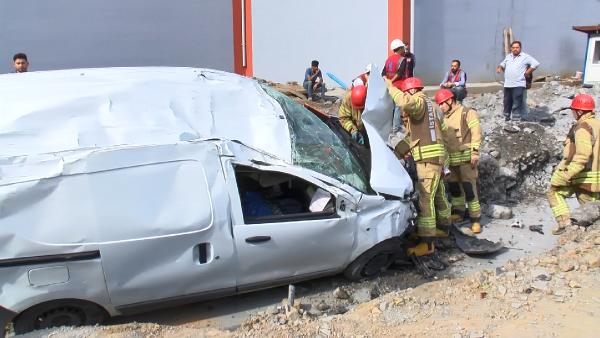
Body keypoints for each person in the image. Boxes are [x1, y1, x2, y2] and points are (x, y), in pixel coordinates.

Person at [386, 77, 451, 256]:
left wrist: (390, 87)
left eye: (407, 92)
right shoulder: (431, 107)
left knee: (425, 200)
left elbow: (405, 103)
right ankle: (444, 229)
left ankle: (427, 243)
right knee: (438, 195)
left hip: (428, 161)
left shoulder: (419, 101)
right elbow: (417, 137)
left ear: (412, 91)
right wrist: (397, 151)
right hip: (436, 159)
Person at [547, 94, 600, 235]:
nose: (572, 113)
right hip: (594, 176)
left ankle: (567, 226)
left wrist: (567, 173)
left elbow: (583, 155)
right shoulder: (597, 124)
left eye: (574, 110)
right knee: (593, 207)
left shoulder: (583, 127)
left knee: (555, 192)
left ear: (580, 111)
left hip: (584, 176)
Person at [435, 89, 483, 234]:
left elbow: (476, 132)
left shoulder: (467, 112)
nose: (441, 107)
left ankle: (475, 219)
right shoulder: (445, 117)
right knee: (455, 189)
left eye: (442, 104)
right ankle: (459, 212)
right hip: (452, 160)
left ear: (450, 100)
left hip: (466, 159)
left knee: (469, 189)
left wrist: (475, 152)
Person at [496, 41, 539, 121]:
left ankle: (516, 119)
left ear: (520, 48)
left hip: (518, 83)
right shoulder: (508, 56)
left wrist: (527, 72)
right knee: (507, 101)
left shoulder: (525, 57)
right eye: (513, 47)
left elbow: (535, 64)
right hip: (508, 84)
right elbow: (502, 64)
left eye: (517, 47)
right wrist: (499, 68)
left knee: (516, 101)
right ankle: (506, 117)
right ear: (511, 49)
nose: (515, 49)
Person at [382, 39, 415, 133]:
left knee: (390, 107)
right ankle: (396, 129)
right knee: (398, 107)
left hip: (389, 87)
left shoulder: (388, 59)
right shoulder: (402, 59)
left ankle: (390, 127)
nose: (404, 50)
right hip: (399, 86)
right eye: (403, 48)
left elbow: (383, 73)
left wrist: (387, 81)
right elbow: (400, 73)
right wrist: (392, 81)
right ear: (399, 48)